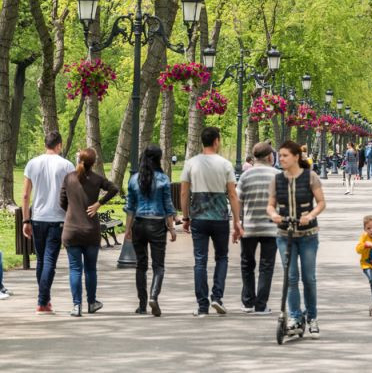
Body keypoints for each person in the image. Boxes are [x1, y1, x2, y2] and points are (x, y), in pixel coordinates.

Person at [181, 127, 243, 317]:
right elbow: (232, 194)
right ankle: (217, 297)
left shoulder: (191, 163)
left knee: (200, 260)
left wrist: (185, 217)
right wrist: (237, 221)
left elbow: (184, 192)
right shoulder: (225, 164)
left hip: (199, 217)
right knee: (221, 257)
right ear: (216, 141)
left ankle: (202, 305)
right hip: (219, 218)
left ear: (202, 141)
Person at [267, 140, 327, 339]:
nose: (281, 159)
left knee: (309, 278)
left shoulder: (310, 177)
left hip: (308, 235)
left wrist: (309, 216)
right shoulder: (277, 179)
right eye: (280, 155)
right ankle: (294, 316)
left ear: (295, 157)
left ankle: (312, 317)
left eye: (284, 155)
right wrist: (274, 214)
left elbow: (321, 203)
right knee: (291, 278)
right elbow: (270, 205)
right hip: (285, 235)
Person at [59, 148, 120, 317]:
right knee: (91, 269)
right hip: (91, 231)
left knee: (75, 269)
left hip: (71, 230)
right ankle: (92, 302)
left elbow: (61, 201)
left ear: (79, 160)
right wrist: (99, 203)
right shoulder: (97, 179)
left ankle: (76, 306)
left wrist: (72, 211)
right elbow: (114, 188)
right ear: (93, 163)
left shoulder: (69, 178)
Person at [22, 130, 76, 314]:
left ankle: (44, 300)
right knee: (49, 261)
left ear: (46, 144)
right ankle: (42, 302)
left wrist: (25, 220)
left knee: (41, 260)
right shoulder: (67, 165)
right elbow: (73, 194)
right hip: (58, 218)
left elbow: (25, 195)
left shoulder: (32, 164)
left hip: (37, 217)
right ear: (59, 145)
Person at [125, 145, 177, 316]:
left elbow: (130, 207)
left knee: (141, 265)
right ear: (158, 159)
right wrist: (171, 228)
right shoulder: (163, 179)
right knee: (158, 266)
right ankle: (154, 296)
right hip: (157, 225)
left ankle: (142, 305)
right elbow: (168, 206)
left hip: (138, 224)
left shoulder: (134, 179)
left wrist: (127, 229)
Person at [237, 142, 280, 315]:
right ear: (270, 157)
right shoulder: (277, 175)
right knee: (266, 266)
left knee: (247, 264)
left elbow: (238, 201)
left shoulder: (246, 176)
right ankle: (261, 305)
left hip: (250, 226)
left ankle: (248, 302)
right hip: (271, 228)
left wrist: (237, 223)